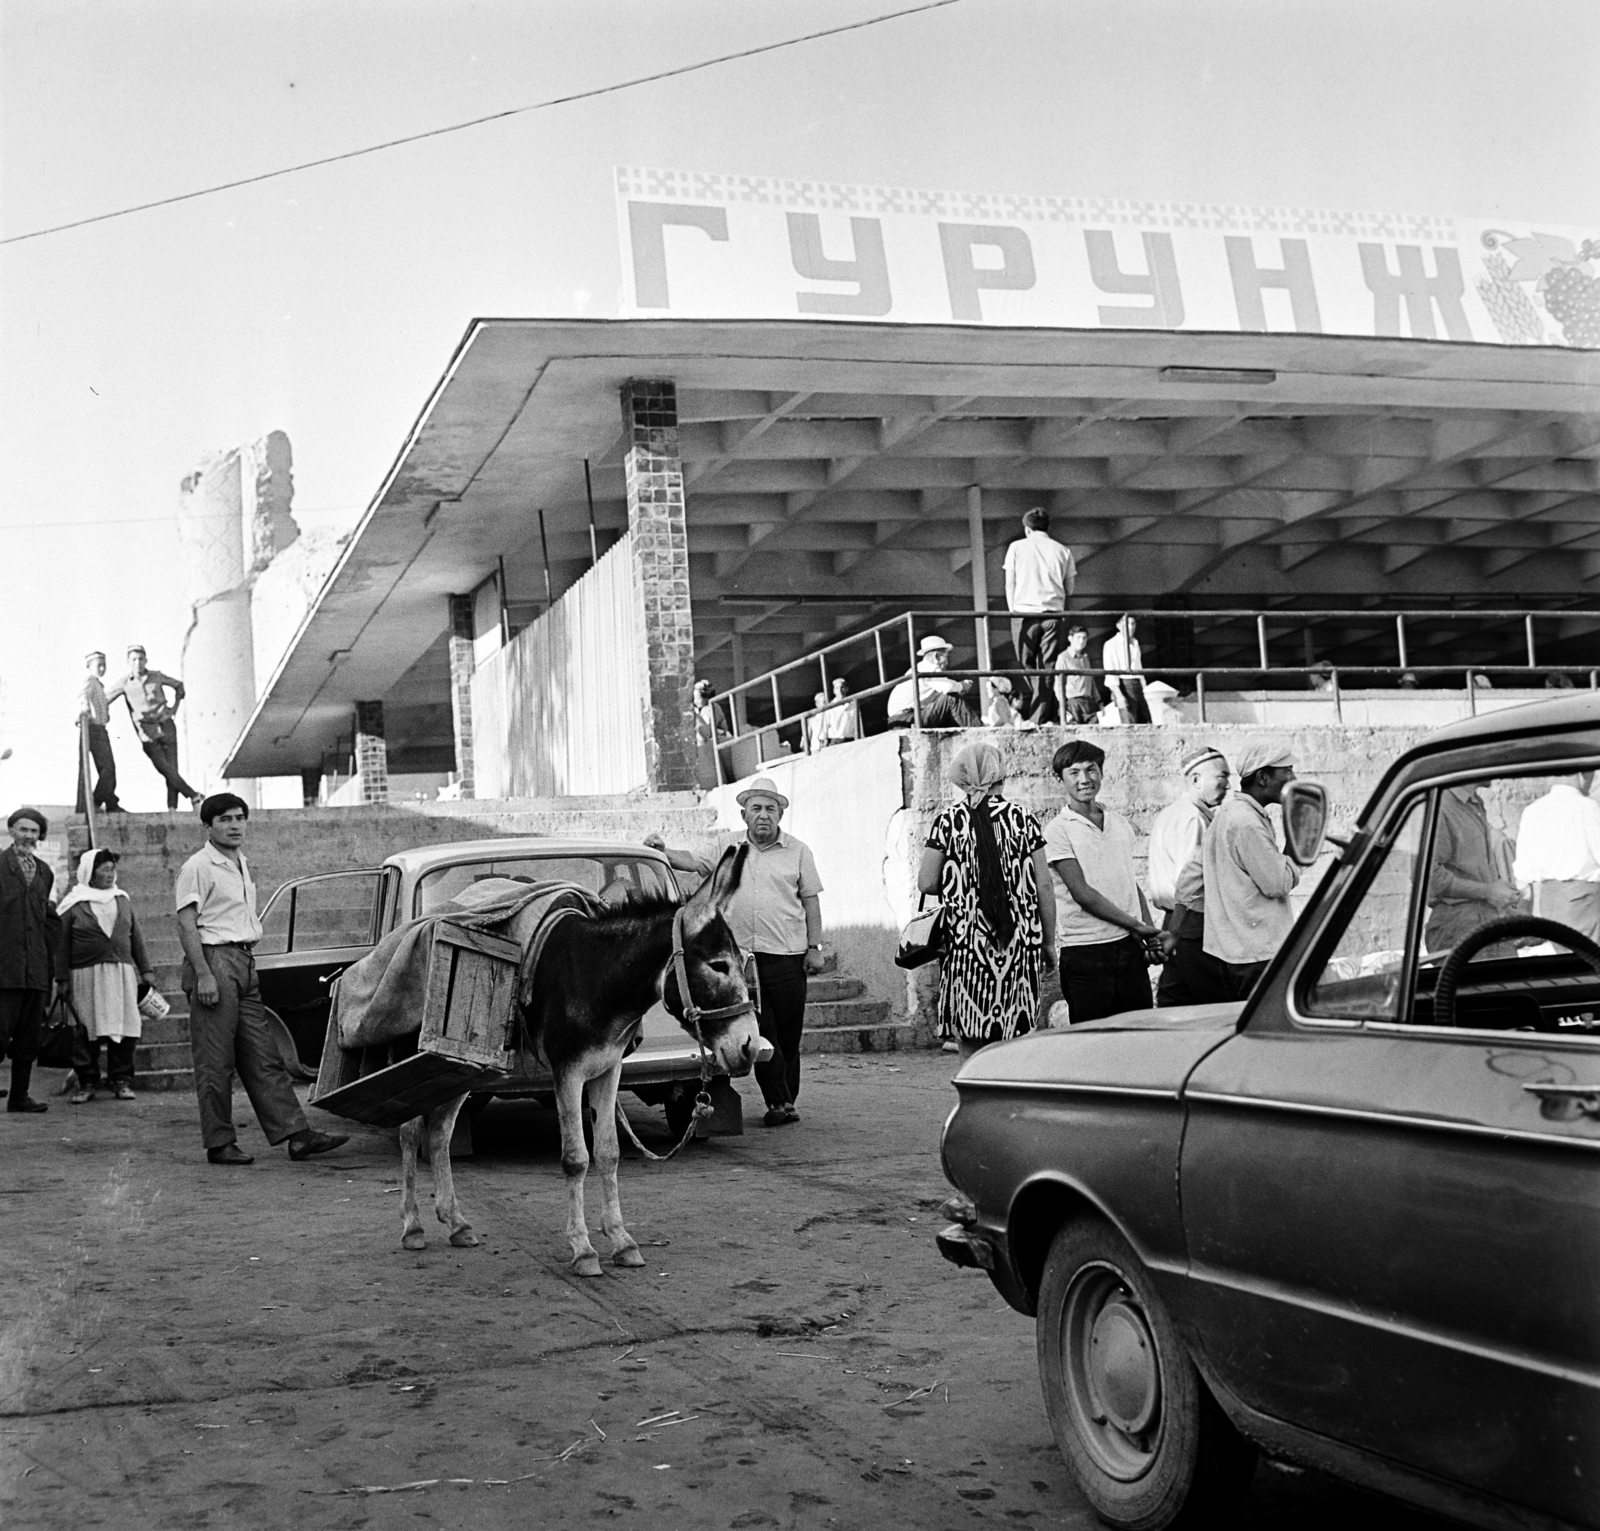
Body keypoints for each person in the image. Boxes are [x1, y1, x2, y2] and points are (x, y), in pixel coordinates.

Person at [175, 793, 347, 1164]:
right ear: (208, 826)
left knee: (263, 1055)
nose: (234, 825)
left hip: (244, 961)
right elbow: (186, 923)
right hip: (215, 962)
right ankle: (219, 1143)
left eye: (239, 817)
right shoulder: (198, 866)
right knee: (216, 1060)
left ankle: (297, 1136)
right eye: (224, 819)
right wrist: (204, 974)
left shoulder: (240, 863)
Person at [648, 779, 824, 1127]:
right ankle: (779, 1102)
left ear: (780, 814)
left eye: (770, 809)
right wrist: (663, 852)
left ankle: (787, 1096)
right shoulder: (727, 846)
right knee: (764, 1029)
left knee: (789, 1032)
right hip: (741, 959)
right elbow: (693, 861)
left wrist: (815, 947)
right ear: (744, 814)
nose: (763, 816)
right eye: (756, 809)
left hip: (787, 954)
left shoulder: (798, 851)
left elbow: (811, 901)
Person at [918, 742, 1055, 1059]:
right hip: (1019, 944)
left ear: (960, 779)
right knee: (1013, 1039)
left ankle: (976, 1103)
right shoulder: (1024, 819)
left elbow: (927, 882)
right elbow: (1044, 885)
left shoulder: (948, 822)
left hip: (966, 946)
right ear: (1001, 775)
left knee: (970, 1038)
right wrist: (1048, 942)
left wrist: (963, 884)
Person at [1044, 739, 1172, 1024]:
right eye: (1074, 773)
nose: (1085, 779)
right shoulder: (1057, 830)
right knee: (1094, 1044)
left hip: (1128, 947)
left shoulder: (1119, 822)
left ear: (1101, 773)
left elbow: (1130, 882)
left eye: (1091, 770)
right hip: (1085, 951)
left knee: (1137, 1034)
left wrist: (1148, 933)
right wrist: (1137, 926)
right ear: (1060, 779)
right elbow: (1082, 893)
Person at [1201, 740, 1300, 1000]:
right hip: (1256, 954)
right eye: (1287, 772)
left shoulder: (1233, 814)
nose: (1294, 778)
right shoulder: (1246, 823)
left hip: (1241, 952)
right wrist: (1296, 838)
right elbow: (1278, 883)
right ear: (1263, 778)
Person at [55, 849, 154, 1103]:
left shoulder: (122, 899)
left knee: (124, 1027)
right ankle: (87, 1081)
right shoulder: (73, 904)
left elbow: (137, 939)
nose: (110, 874)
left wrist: (146, 970)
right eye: (104, 869)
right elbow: (61, 946)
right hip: (84, 976)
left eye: (113, 869)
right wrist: (62, 979)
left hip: (120, 974)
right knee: (84, 1028)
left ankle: (121, 1080)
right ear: (89, 873)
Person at [1146, 747, 1233, 1006]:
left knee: (1175, 1003)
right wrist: (1176, 932)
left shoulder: (1175, 812)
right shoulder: (1192, 818)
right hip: (1192, 924)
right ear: (1196, 780)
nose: (1228, 785)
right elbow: (1190, 883)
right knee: (1219, 1006)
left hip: (1178, 922)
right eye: (1221, 776)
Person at [0, 807, 59, 1113]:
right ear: (11, 831)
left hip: (35, 967)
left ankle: (19, 1096)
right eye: (23, 829)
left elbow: (47, 919)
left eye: (34, 831)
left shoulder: (45, 872)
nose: (29, 836)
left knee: (28, 1038)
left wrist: (50, 960)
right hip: (4, 967)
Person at [1424, 782, 1521, 954]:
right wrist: (1489, 892)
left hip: (1484, 921)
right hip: (1459, 925)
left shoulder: (1474, 803)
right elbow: (1429, 877)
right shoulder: (1440, 806)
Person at [1003, 507, 1076, 723]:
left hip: (1024, 614)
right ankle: (1048, 709)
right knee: (1047, 667)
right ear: (1048, 527)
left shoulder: (1016, 547)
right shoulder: (1063, 551)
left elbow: (1009, 584)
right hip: (1053, 616)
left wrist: (1012, 612)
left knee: (1026, 664)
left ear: (1027, 529)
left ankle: (1037, 717)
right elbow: (1069, 588)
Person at [107, 645, 202, 810]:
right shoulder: (124, 683)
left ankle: (172, 808)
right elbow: (105, 699)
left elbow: (178, 685)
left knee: (172, 768)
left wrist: (174, 708)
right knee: (163, 766)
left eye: (140, 659)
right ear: (128, 662)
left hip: (166, 725)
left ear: (146, 660)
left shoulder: (156, 677)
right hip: (147, 733)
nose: (138, 663)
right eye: (134, 660)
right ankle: (194, 796)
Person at [1512, 773, 1600, 941]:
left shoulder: (1532, 810)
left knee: (1564, 959)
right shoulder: (1586, 807)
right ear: (1582, 775)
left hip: (1549, 905)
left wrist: (1526, 914)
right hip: (1584, 902)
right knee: (1590, 960)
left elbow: (1522, 873)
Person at [885, 636, 980, 728]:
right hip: (908, 719)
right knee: (951, 698)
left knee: (948, 701)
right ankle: (979, 730)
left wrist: (958, 689)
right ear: (937, 656)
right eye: (946, 657)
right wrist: (962, 686)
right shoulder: (928, 668)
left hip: (899, 722)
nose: (947, 662)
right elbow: (947, 688)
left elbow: (941, 695)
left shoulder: (918, 668)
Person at [74, 650, 122, 815]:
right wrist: (84, 711)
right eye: (98, 665)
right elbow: (83, 696)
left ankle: (111, 803)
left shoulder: (100, 686)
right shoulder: (90, 681)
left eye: (104, 665)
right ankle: (96, 801)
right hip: (93, 728)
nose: (102, 668)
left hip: (101, 728)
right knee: (107, 768)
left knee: (109, 768)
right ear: (89, 667)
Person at [1101, 616, 1150, 724]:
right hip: (1124, 684)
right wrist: (1118, 694)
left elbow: (1138, 666)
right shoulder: (1111, 644)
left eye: (1133, 624)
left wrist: (1144, 686)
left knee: (1146, 721)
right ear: (1118, 626)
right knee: (1130, 722)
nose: (1130, 627)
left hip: (1137, 684)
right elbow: (1110, 672)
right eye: (1127, 624)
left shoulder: (1135, 642)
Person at [1053, 623, 1099, 724]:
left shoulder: (1085, 658)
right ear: (1070, 638)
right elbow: (1058, 685)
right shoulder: (1063, 657)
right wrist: (1063, 708)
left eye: (1084, 638)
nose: (1081, 641)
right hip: (1072, 703)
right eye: (1078, 637)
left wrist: (1099, 702)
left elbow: (1092, 682)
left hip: (1088, 703)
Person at [823, 677, 861, 744]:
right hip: (836, 742)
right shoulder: (830, 708)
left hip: (851, 741)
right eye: (837, 688)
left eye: (842, 687)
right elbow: (825, 727)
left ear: (847, 689)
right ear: (834, 691)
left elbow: (859, 725)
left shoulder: (853, 705)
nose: (840, 691)